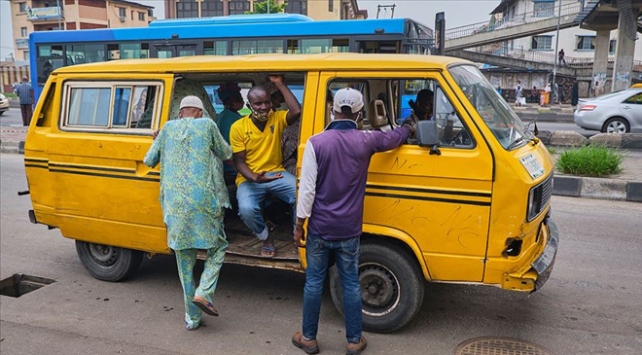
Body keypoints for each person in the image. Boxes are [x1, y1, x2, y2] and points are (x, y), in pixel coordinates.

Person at [291, 88, 415, 355]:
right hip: (348, 230)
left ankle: (309, 339)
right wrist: (408, 127)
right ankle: (353, 341)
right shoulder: (366, 140)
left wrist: (299, 224)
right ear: (359, 114)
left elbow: (308, 191)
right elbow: (394, 138)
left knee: (313, 282)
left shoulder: (316, 142)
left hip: (319, 229)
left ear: (334, 110)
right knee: (349, 282)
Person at [143, 96, 232, 331]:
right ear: (200, 113)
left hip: (174, 207)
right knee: (218, 247)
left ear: (180, 113)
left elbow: (149, 160)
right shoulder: (207, 125)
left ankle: (192, 319)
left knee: (185, 264)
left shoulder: (167, 129)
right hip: (203, 202)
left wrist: (160, 138)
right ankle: (204, 292)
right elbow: (225, 153)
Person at [229, 75, 301, 258]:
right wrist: (255, 178)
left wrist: (279, 84)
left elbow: (296, 111)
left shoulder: (277, 118)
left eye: (267, 103)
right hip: (249, 178)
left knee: (301, 195)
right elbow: (239, 161)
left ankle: (296, 236)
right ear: (249, 105)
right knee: (246, 209)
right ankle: (265, 238)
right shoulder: (238, 127)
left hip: (276, 173)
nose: (263, 107)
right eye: (258, 104)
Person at [215, 82, 245, 184]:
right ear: (227, 101)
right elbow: (228, 149)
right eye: (237, 98)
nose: (241, 101)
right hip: (231, 168)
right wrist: (238, 169)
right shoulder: (226, 118)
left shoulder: (233, 115)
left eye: (240, 98)